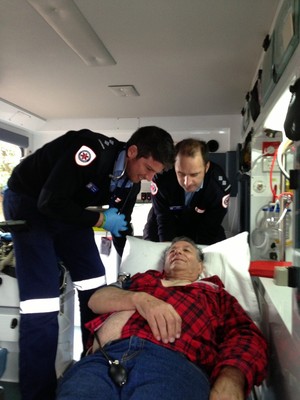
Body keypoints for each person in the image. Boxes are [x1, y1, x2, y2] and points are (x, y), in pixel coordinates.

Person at [2, 126, 174, 400]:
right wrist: (100, 220)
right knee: (41, 306)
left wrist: (137, 266)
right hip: (30, 203)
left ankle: (91, 368)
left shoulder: (129, 181)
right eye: (148, 168)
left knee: (97, 288)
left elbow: (121, 228)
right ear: (132, 152)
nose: (149, 177)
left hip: (67, 209)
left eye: (155, 173)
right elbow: (50, 201)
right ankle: (38, 394)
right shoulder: (92, 151)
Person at [56, 237, 268, 400]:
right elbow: (96, 300)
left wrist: (232, 377)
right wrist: (140, 299)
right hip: (104, 360)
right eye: (172, 251)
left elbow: (245, 335)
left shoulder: (215, 294)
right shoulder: (141, 280)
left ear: (201, 267)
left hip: (174, 365)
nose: (177, 253)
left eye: (186, 251)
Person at [143, 138, 231, 244]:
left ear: (206, 167)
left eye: (194, 174)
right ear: (174, 165)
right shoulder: (161, 179)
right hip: (164, 219)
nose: (187, 182)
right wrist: (168, 250)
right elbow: (164, 220)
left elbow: (209, 228)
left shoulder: (218, 187)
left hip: (201, 222)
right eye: (181, 173)